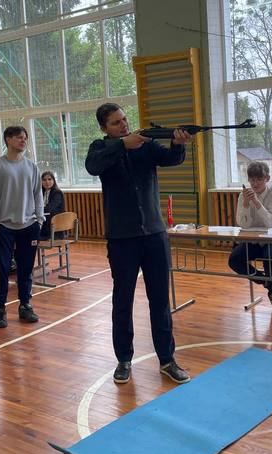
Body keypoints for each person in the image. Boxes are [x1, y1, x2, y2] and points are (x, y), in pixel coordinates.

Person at [85, 102, 193, 385]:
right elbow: (92, 166)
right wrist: (123, 145)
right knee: (123, 301)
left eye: (124, 119)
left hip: (154, 235)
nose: (124, 125)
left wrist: (178, 143)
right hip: (122, 239)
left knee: (160, 301)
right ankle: (123, 359)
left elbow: (171, 159)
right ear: (104, 128)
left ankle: (167, 360)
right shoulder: (100, 148)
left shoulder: (145, 144)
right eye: (116, 123)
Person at [0, 126, 43, 328]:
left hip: (29, 225)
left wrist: (39, 219)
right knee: (3, 270)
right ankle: (0, 309)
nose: (23, 140)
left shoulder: (31, 166)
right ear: (8, 140)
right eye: (19, 137)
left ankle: (25, 305)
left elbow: (38, 195)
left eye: (25, 138)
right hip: (5, 228)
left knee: (26, 269)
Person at [227, 161, 272, 316]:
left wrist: (256, 203)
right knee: (234, 260)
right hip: (253, 240)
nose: (254, 183)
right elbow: (243, 224)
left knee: (270, 258)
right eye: (251, 180)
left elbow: (271, 223)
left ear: (267, 178)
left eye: (259, 179)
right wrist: (246, 204)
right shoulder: (243, 195)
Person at [39, 170, 65, 241]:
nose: (47, 182)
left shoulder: (57, 193)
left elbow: (49, 208)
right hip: (44, 223)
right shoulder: (40, 192)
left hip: (54, 228)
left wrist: (36, 210)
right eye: (44, 180)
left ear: (54, 180)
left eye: (49, 179)